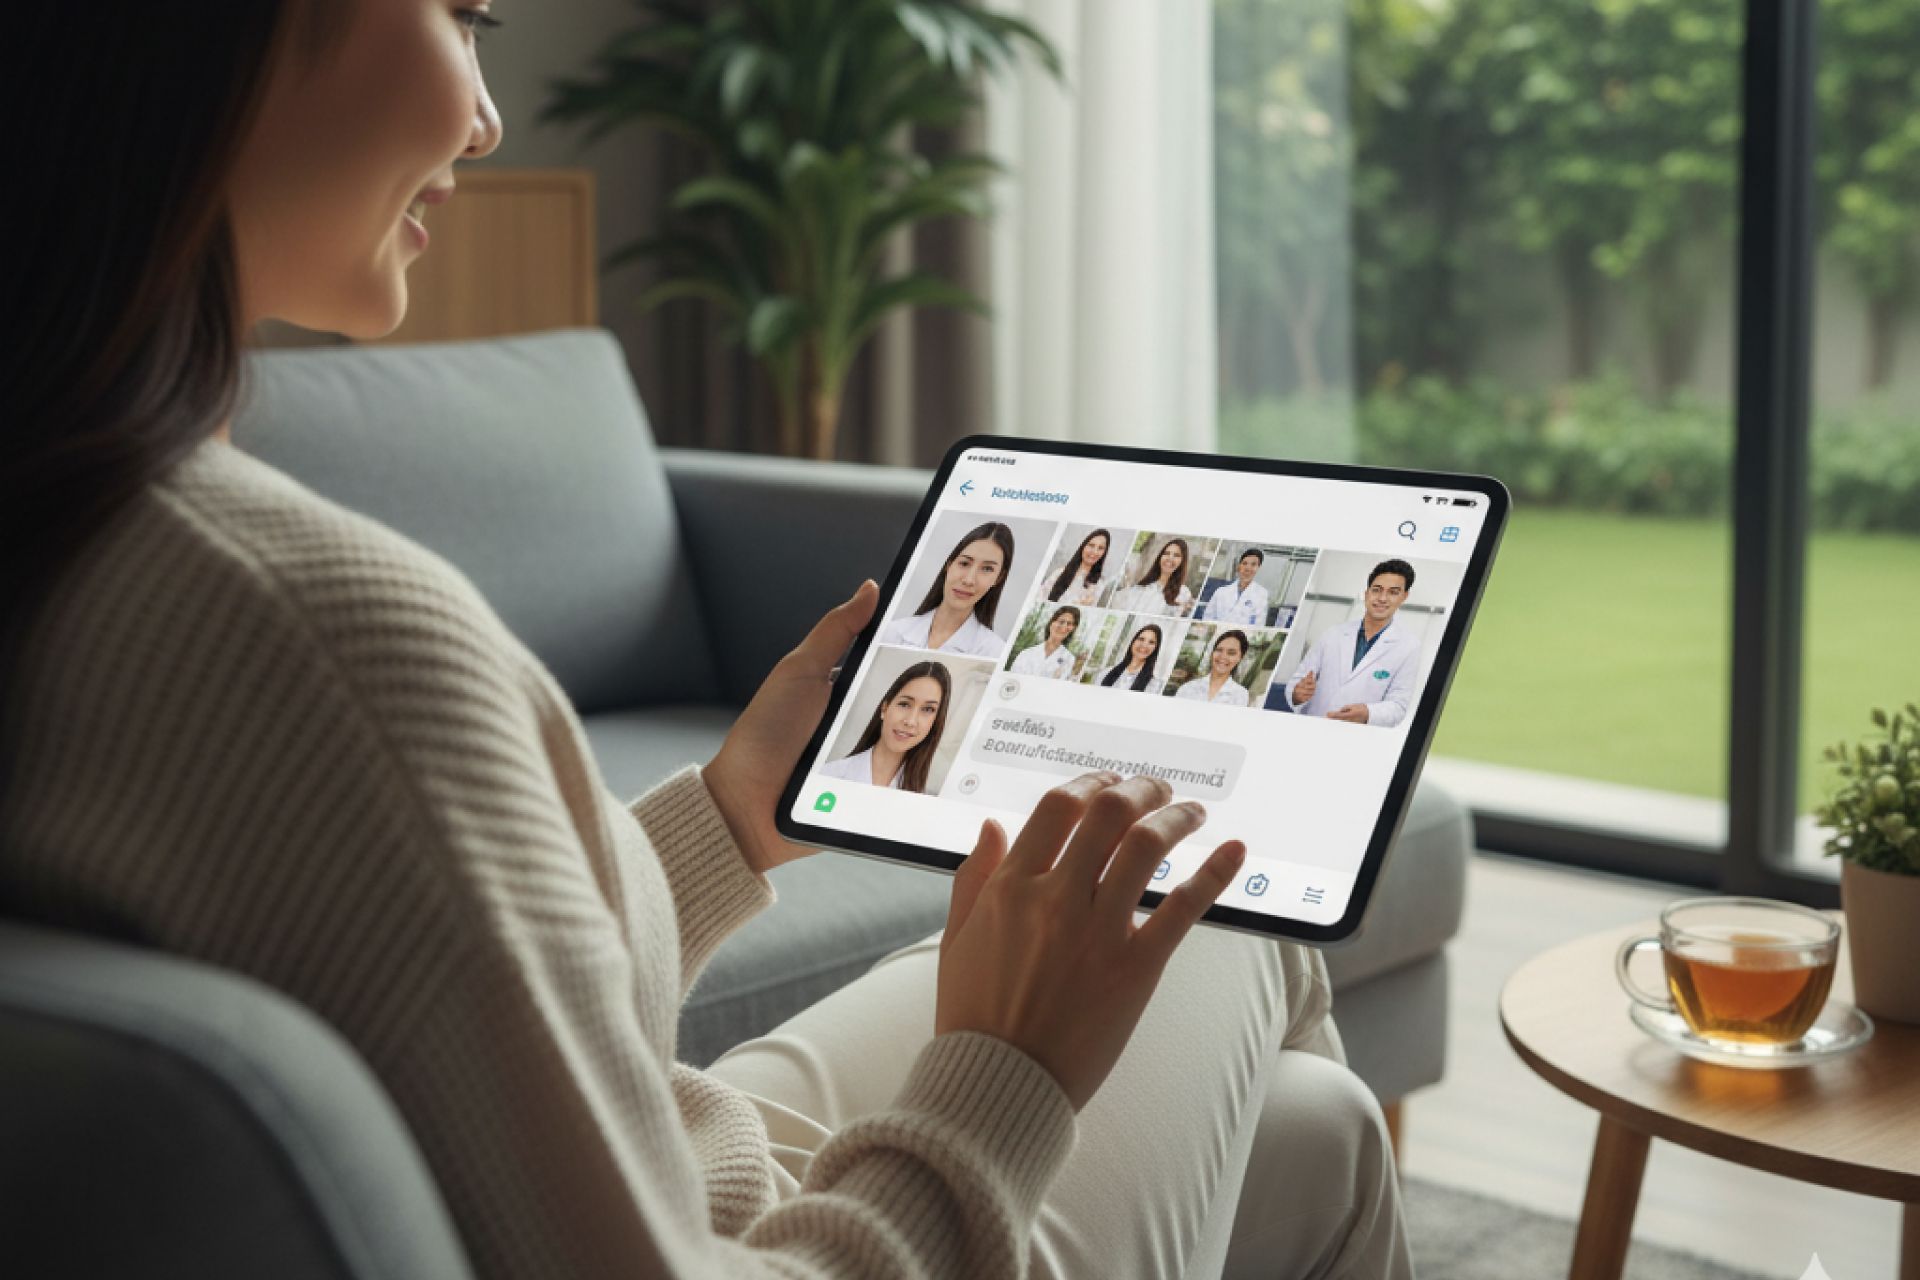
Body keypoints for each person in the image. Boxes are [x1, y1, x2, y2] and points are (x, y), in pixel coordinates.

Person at [0, 4, 1413, 1278]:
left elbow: (437, 987)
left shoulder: (89, 545)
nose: (489, 116)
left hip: (684, 1156)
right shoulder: (325, 638)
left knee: (1316, 1130)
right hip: (752, 1236)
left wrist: (729, 820)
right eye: (462, 17)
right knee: (1233, 907)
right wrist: (1007, 1067)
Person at [1267, 558, 1421, 727]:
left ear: (1404, 597)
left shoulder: (1408, 647)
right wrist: (1297, 694)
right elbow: (1296, 683)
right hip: (1313, 726)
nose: (1382, 598)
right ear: (1367, 593)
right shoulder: (1333, 634)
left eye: (1393, 592)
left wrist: (1367, 713)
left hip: (1356, 738)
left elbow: (1398, 706)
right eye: (1377, 590)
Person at [875, 521, 1015, 658]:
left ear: (999, 578)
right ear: (949, 564)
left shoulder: (995, 652)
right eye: (964, 563)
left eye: (987, 569)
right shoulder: (892, 632)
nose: (968, 580)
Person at [819, 662, 950, 792]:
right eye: (904, 704)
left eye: (928, 709)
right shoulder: (828, 774)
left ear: (936, 721)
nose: (910, 721)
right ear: (884, 708)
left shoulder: (926, 800)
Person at [1107, 536, 1195, 617]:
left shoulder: (1183, 592)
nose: (1170, 558)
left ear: (1182, 562)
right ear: (1160, 557)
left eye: (1176, 555)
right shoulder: (1142, 589)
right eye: (1166, 553)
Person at [1174, 630, 1254, 707]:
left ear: (1240, 658)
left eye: (1231, 653)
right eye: (1219, 650)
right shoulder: (1187, 688)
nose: (1223, 656)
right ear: (1212, 653)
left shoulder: (1241, 695)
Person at [1200, 548, 1271, 627]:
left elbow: (1258, 625)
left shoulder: (1262, 594)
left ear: (1258, 567)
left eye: (1253, 564)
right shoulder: (1221, 592)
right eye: (1244, 563)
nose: (1248, 568)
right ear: (1239, 566)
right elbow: (1207, 618)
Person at [1009, 606, 1081, 680]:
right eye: (1061, 621)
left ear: (1072, 629)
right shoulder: (1025, 654)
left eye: (1069, 624)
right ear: (1051, 623)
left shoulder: (1069, 659)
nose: (1064, 627)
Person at [1045, 528, 1111, 606]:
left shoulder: (1099, 585)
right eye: (1091, 545)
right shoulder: (1059, 573)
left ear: (1104, 553)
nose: (1095, 552)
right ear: (1083, 546)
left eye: (1100, 548)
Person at [1097, 622, 1166, 694]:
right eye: (1141, 639)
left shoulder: (1155, 685)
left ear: (1155, 648)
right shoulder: (1105, 673)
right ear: (1133, 642)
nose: (1144, 645)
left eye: (1151, 642)